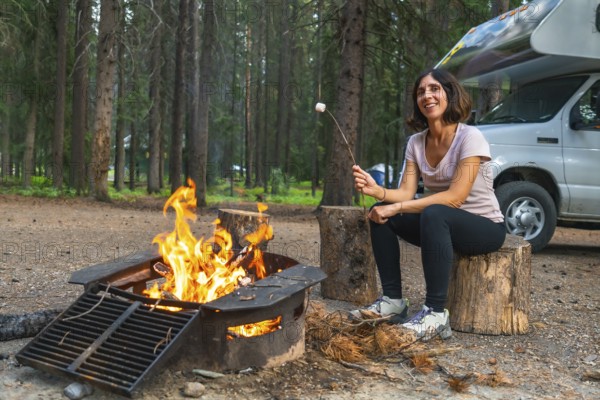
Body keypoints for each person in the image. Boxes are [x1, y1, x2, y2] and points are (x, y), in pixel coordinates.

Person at [351, 68, 506, 340]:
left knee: (434, 213)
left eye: (435, 89)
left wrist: (398, 206)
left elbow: (456, 197)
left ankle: (435, 314)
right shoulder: (416, 143)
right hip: (439, 226)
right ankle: (393, 301)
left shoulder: (470, 137)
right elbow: (406, 192)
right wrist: (379, 193)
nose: (427, 95)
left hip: (484, 227)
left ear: (450, 94)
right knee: (379, 214)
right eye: (421, 91)